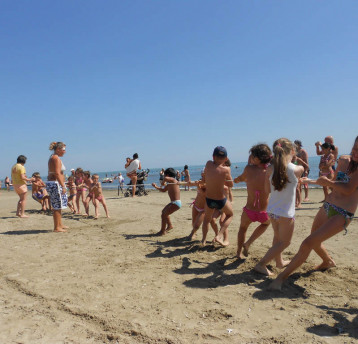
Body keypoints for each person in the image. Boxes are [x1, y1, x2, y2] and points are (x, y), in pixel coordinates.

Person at [269, 136, 358, 291]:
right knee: (314, 241)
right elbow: (333, 183)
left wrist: (328, 182)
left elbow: (349, 188)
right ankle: (327, 261)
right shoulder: (344, 161)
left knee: (307, 243)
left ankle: (281, 279)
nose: (356, 153)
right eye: (354, 148)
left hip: (343, 213)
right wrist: (312, 181)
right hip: (329, 204)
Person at [254, 138, 304, 276]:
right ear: (293, 151)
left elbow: (267, 190)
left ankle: (279, 261)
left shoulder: (270, 169)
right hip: (285, 213)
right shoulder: (297, 169)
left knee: (277, 238)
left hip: (272, 210)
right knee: (285, 242)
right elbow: (296, 170)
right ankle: (261, 264)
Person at [234, 144, 272, 259]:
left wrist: (236, 180)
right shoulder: (269, 171)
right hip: (263, 211)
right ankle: (249, 242)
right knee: (266, 224)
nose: (250, 157)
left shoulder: (249, 169)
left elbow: (241, 178)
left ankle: (238, 252)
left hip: (249, 210)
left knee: (242, 228)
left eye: (252, 156)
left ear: (257, 158)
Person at [201, 146, 234, 246]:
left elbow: (206, 177)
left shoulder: (208, 163)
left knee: (206, 220)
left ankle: (203, 240)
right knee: (230, 215)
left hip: (209, 199)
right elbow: (231, 185)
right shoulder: (226, 170)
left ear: (213, 157)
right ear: (226, 159)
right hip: (220, 200)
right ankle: (219, 235)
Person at [152, 168, 181, 236]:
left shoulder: (174, 180)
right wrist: (155, 186)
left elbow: (166, 179)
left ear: (167, 175)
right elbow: (163, 190)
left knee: (164, 214)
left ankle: (163, 231)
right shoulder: (170, 184)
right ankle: (170, 226)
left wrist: (162, 182)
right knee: (164, 212)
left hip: (176, 203)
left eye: (164, 175)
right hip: (173, 202)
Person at [46, 142, 68, 232]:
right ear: (58, 149)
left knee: (59, 205)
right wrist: (63, 186)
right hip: (55, 184)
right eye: (63, 150)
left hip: (55, 183)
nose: (65, 152)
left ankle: (60, 224)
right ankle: (57, 227)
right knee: (57, 206)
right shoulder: (55, 158)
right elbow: (57, 173)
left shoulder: (53, 157)